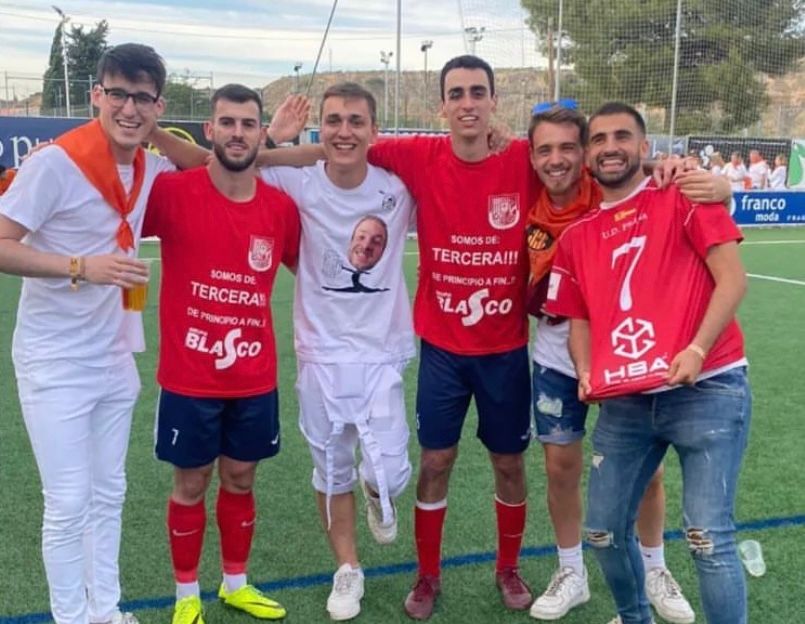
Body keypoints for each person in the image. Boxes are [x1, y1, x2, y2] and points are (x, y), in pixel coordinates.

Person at [149, 81, 416, 622]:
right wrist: (154, 129)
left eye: (355, 122)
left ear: (374, 130)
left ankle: (238, 581)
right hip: (251, 363)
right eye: (333, 121)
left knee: (265, 478)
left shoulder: (386, 187)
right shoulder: (266, 185)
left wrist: (274, 145)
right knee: (209, 480)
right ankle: (194, 595)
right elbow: (218, 162)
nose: (344, 131)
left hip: (328, 361)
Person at [525, 104, 734, 624]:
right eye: (545, 150)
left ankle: (655, 567)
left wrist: (712, 182)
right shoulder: (533, 197)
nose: (557, 159)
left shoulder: (645, 186)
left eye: (569, 146)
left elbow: (659, 182)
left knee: (650, 475)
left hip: (640, 360)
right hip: (562, 357)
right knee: (561, 467)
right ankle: (571, 571)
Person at [365, 55, 542, 619]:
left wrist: (676, 169)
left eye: (477, 92)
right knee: (436, 460)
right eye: (457, 93)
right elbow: (345, 148)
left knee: (509, 463)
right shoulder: (418, 155)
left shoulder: (523, 158)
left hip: (506, 350)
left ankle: (507, 568)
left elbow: (594, 162)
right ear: (442, 105)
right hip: (443, 350)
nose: (468, 103)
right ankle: (427, 575)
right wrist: (269, 148)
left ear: (494, 101)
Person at [0, 43, 171, 624]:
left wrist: (274, 135)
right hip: (54, 361)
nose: (129, 108)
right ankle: (72, 618)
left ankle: (107, 611)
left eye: (142, 98)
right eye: (117, 94)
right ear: (96, 95)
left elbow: (213, 163)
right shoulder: (55, 163)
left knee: (109, 494)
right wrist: (80, 266)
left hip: (114, 355)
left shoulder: (149, 166)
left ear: (158, 106)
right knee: (68, 502)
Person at [144, 84, 299, 624]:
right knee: (190, 484)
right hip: (189, 378)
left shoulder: (281, 208)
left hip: (254, 378)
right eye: (228, 123)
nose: (238, 133)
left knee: (241, 479)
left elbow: (311, 272)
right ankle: (187, 596)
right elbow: (114, 220)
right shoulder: (172, 192)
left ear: (262, 134)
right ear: (210, 130)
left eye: (248, 124)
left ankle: (235, 584)